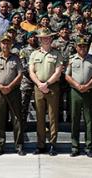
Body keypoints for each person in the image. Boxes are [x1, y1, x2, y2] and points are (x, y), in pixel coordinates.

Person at [29, 28, 64, 156]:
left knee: (53, 117)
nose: (46, 39)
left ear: (51, 39)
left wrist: (47, 84)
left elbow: (58, 71)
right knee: (39, 117)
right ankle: (41, 145)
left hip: (52, 87)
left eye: (48, 37)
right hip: (38, 87)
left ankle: (53, 145)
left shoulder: (57, 54)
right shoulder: (34, 54)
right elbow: (31, 71)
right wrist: (39, 84)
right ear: (39, 39)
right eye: (43, 37)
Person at [0, 33, 26, 156]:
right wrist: (1, 87)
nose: (5, 45)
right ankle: (0, 145)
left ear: (11, 44)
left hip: (14, 91)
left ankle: (19, 145)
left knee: (17, 118)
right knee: (0, 119)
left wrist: (9, 86)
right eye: (3, 42)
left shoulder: (16, 58)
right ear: (0, 44)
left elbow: (20, 74)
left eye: (7, 42)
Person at [64, 35, 92, 157]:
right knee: (75, 119)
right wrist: (78, 85)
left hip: (88, 92)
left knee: (89, 120)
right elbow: (67, 76)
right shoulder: (72, 59)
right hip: (75, 92)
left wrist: (87, 86)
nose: (82, 48)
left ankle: (89, 147)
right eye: (80, 46)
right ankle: (75, 146)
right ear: (76, 47)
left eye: (84, 46)